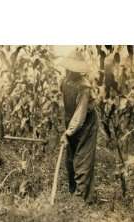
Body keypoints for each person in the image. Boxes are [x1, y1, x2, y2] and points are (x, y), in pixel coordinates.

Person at [59, 50, 99, 204]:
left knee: (82, 160)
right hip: (72, 122)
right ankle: (73, 191)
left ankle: (81, 199)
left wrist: (68, 132)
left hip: (86, 124)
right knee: (70, 160)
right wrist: (68, 129)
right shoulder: (64, 81)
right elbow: (69, 107)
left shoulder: (84, 87)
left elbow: (80, 113)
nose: (69, 71)